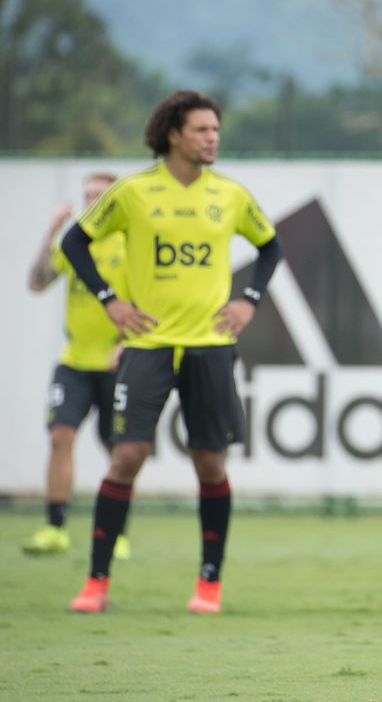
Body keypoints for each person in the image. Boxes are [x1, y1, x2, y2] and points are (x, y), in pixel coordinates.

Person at [61, 89, 282, 614]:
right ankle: (96, 582)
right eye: (203, 130)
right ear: (173, 134)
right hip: (148, 346)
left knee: (209, 461)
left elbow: (270, 245)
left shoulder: (229, 194)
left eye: (216, 130)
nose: (213, 139)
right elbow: (75, 243)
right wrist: (110, 299)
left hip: (209, 347)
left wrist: (249, 299)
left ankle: (209, 584)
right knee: (127, 456)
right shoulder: (134, 193)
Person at [22, 173, 131, 561]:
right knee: (59, 438)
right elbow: (37, 283)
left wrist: (127, 346)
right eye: (87, 195)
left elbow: (152, 301)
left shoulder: (130, 244)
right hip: (75, 363)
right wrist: (52, 228)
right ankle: (55, 527)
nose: (91, 201)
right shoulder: (73, 244)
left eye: (99, 196)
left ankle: (115, 531)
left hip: (117, 362)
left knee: (120, 450)